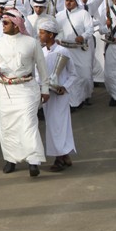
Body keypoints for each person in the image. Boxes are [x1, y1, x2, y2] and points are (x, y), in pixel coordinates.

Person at [0, 9, 49, 177]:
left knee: (28, 124)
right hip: (5, 90)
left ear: (16, 24)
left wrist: (45, 89)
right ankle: (10, 159)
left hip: (27, 89)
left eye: (6, 23)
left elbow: (42, 68)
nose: (3, 25)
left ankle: (33, 161)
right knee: (8, 128)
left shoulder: (31, 42)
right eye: (2, 22)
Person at [37, 19, 78, 172]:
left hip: (60, 96)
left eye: (42, 33)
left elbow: (73, 74)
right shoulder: (41, 52)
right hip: (47, 95)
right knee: (52, 125)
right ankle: (64, 154)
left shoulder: (63, 51)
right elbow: (38, 73)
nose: (40, 35)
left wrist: (64, 87)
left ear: (51, 35)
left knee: (59, 126)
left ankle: (59, 158)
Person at [55, 0, 94, 108]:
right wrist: (57, 39)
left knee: (85, 76)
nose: (68, 3)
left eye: (71, 0)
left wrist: (83, 36)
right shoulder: (60, 15)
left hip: (80, 50)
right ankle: (74, 102)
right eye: (67, 0)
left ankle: (85, 96)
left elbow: (90, 29)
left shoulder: (84, 14)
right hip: (65, 50)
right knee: (70, 77)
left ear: (76, 2)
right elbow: (56, 31)